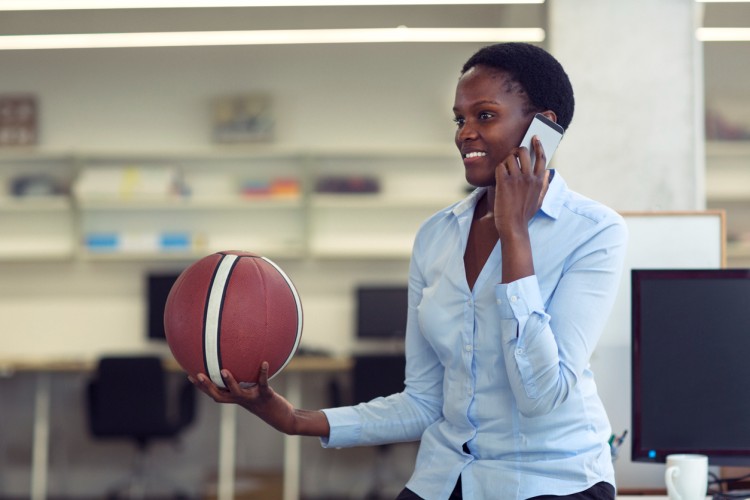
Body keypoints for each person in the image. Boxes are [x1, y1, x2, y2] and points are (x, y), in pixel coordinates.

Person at [190, 42, 628, 500]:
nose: (464, 134)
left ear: (544, 127)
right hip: (445, 476)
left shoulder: (594, 232)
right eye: (460, 120)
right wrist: (293, 418)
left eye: (484, 116)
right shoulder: (436, 235)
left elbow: (541, 394)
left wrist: (514, 233)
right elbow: (424, 401)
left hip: (552, 479)